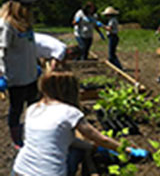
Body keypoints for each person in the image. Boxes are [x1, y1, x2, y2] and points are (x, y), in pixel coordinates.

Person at [13, 71, 149, 176]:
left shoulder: (33, 109)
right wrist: (127, 150)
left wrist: (93, 148)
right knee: (77, 151)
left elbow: (51, 140)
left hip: (19, 169)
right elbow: (101, 138)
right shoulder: (69, 112)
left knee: (78, 148)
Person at [0, 0, 40, 148]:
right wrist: (1, 75)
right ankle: (17, 138)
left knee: (33, 106)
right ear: (14, 6)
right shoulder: (6, 26)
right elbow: (1, 51)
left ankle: (32, 133)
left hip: (30, 74)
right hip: (16, 77)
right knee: (16, 108)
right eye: (25, 6)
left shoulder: (25, 24)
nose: (29, 9)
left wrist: (35, 65)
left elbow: (29, 48)